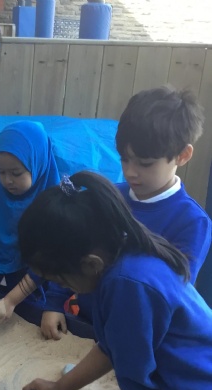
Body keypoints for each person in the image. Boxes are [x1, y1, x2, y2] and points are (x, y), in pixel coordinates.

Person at [19, 171, 212, 390]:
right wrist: (57, 388)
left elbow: (133, 367)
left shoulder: (127, 286)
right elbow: (111, 347)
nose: (61, 286)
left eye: (61, 280)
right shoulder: (125, 251)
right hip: (193, 389)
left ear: (90, 264)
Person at [41, 86, 211, 340]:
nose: (130, 171)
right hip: (86, 321)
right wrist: (54, 302)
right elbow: (73, 251)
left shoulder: (192, 223)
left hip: (136, 334)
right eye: (124, 159)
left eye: (145, 163)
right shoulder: (109, 195)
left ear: (182, 155)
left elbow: (170, 297)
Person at [0, 121, 60, 333]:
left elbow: (46, 264)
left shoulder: (51, 207)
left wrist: (11, 301)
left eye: (16, 173)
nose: (8, 181)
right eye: (1, 172)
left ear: (37, 164)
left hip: (29, 297)